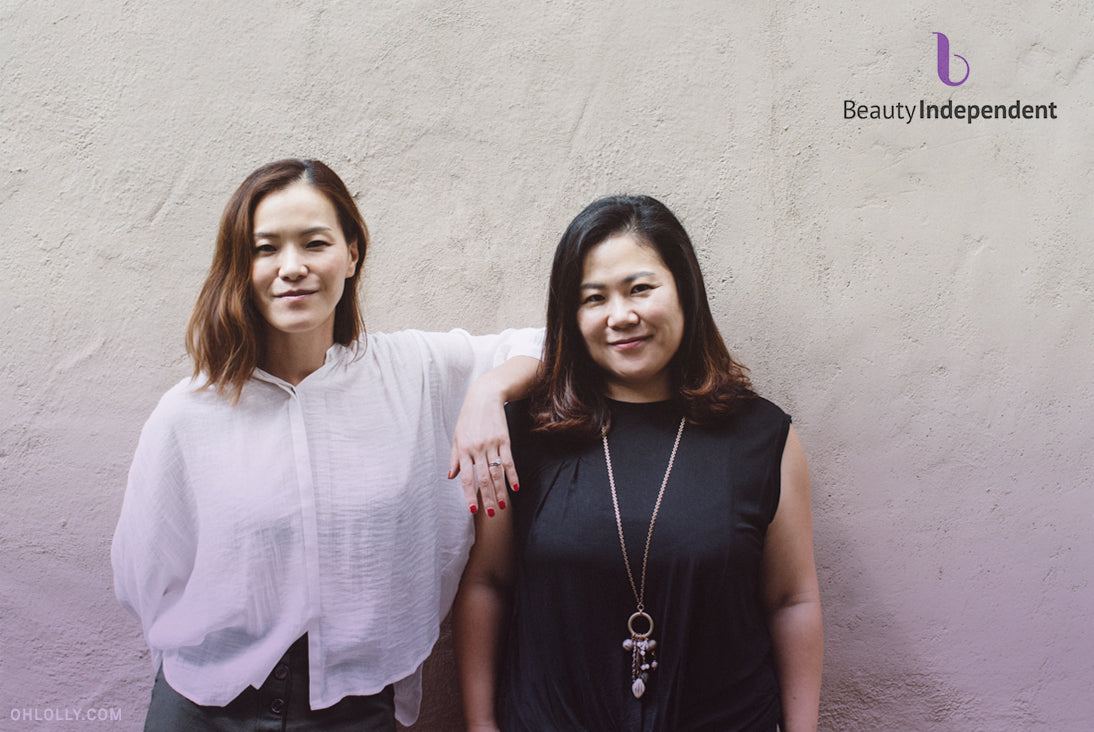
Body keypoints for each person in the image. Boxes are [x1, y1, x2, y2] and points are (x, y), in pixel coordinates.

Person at [111, 158, 541, 731]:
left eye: (315, 243)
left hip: (354, 706)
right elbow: (143, 575)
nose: (292, 268)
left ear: (352, 254)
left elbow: (553, 342)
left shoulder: (411, 371)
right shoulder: (187, 413)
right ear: (242, 264)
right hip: (206, 704)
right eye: (266, 248)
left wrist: (489, 391)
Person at [454, 195, 823, 731]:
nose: (621, 316)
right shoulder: (526, 436)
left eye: (640, 288)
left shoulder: (762, 437)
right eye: (594, 298)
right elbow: (488, 583)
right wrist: (481, 726)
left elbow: (792, 600)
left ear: (685, 290)